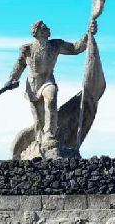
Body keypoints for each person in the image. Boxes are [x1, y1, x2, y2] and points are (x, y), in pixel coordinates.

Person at [6, 19, 97, 158]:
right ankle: (38, 142)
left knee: (51, 96)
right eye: (44, 28)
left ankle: (50, 135)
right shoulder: (27, 50)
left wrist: (88, 34)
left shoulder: (55, 45)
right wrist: (11, 80)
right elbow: (18, 67)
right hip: (33, 87)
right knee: (38, 122)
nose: (48, 29)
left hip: (47, 82)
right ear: (37, 32)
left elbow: (75, 48)